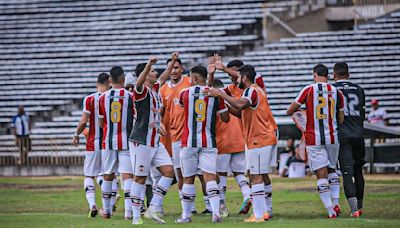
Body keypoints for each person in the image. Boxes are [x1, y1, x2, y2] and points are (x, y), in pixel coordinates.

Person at [209, 64, 277, 223]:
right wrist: (223, 102)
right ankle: (260, 213)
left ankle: (260, 215)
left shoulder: (251, 90)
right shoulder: (255, 90)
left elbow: (240, 104)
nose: (235, 79)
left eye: (238, 77)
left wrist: (221, 94)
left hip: (260, 138)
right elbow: (239, 112)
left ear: (244, 77)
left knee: (257, 176)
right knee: (255, 176)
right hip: (257, 139)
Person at [287, 64, 345, 219]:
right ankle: (336, 202)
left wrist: (303, 115)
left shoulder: (308, 89)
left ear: (315, 75)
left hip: (314, 138)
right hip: (333, 137)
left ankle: (330, 210)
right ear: (329, 75)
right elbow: (341, 118)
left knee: (321, 175)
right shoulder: (337, 92)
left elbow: (290, 110)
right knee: (332, 170)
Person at [175, 65, 229, 224]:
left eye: (191, 77)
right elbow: (225, 118)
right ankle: (215, 213)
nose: (189, 80)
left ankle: (186, 215)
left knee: (188, 178)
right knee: (210, 177)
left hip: (189, 141)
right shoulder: (215, 94)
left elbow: (182, 109)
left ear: (195, 78)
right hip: (209, 141)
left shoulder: (184, 93)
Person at [129, 53, 177, 225]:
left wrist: (171, 63)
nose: (156, 73)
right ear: (146, 73)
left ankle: (153, 208)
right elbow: (139, 83)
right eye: (152, 71)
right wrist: (148, 63)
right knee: (140, 178)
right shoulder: (140, 91)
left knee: (169, 172)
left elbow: (164, 77)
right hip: (141, 141)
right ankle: (135, 216)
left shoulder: (155, 89)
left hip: (154, 141)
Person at [158, 57, 197, 214]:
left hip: (192, 135)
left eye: (176, 67)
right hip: (175, 136)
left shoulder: (189, 82)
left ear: (182, 69)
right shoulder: (163, 89)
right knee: (180, 173)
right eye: (170, 68)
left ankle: (211, 206)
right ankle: (187, 208)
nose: (173, 71)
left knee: (199, 173)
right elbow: (160, 113)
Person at [98, 66, 135, 220]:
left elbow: (101, 122)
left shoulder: (102, 97)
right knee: (127, 176)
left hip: (108, 141)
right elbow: (135, 118)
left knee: (108, 175)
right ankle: (128, 213)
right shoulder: (130, 96)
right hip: (126, 140)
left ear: (110, 80)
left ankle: (106, 211)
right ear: (123, 79)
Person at [72, 73, 110, 217]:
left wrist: (76, 135)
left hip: (93, 142)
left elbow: (83, 122)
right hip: (108, 143)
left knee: (89, 175)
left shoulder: (90, 99)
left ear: (97, 83)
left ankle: (92, 204)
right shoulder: (112, 97)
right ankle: (110, 198)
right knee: (105, 174)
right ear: (109, 82)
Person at [333, 62, 365, 217]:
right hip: (358, 134)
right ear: (348, 74)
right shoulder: (359, 89)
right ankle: (360, 206)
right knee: (359, 171)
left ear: (334, 75)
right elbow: (362, 114)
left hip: (343, 135)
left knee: (347, 172)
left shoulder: (332, 90)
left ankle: (354, 210)